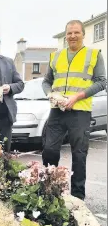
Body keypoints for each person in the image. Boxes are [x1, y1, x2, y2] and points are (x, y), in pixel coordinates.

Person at [42, 19, 107, 200]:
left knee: (79, 155)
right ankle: (50, 192)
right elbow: (46, 81)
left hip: (80, 112)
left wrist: (77, 97)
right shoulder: (56, 56)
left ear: (83, 34)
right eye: (69, 33)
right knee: (49, 150)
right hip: (57, 110)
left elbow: (102, 82)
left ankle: (78, 198)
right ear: (65, 36)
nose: (72, 36)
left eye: (76, 32)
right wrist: (49, 94)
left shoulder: (94, 55)